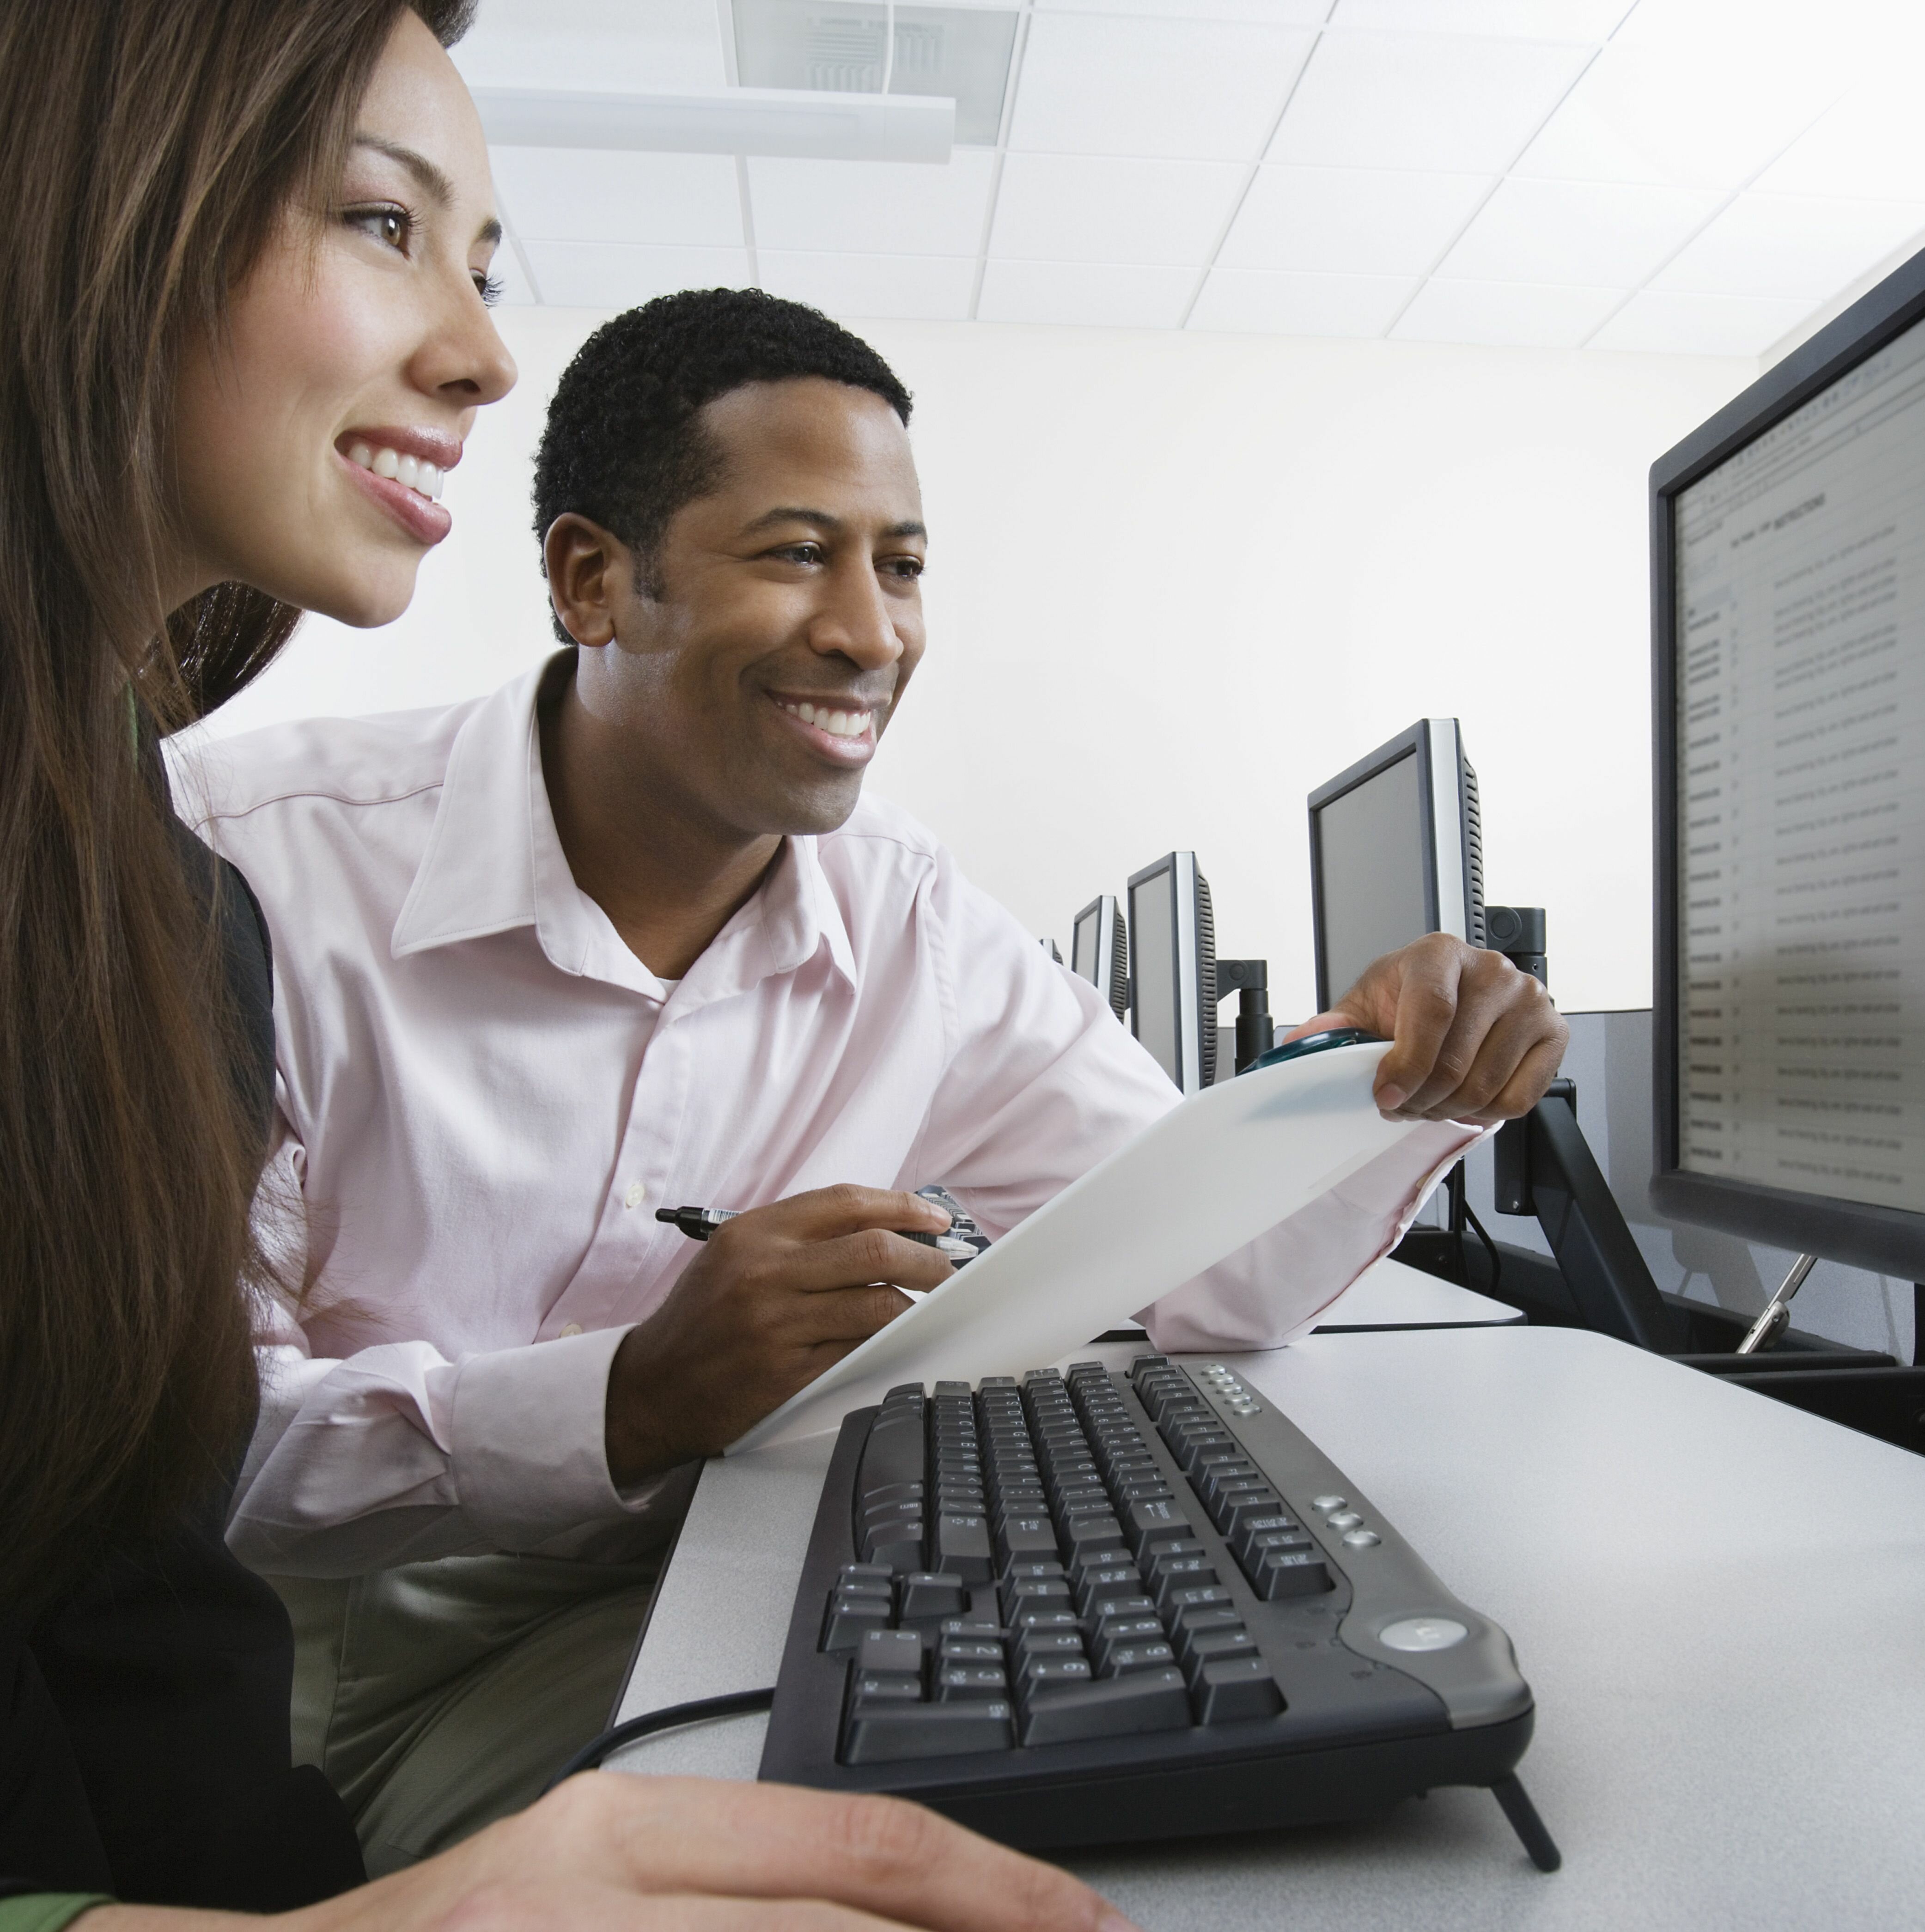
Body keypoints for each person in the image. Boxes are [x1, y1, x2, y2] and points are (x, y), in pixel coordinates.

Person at [0, 5, 1137, 1930]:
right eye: (377, 222)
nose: (481, 351)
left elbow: (142, 1662)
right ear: (74, 189)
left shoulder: (160, 916)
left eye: (481, 264)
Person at [174, 288, 1571, 1870]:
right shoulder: (247, 864)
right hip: (303, 1655)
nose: (870, 631)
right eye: (793, 554)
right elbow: (191, 1447)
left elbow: (1208, 1273)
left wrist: (1389, 1082)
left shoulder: (910, 920)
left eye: (901, 565)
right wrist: (633, 1397)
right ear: (590, 579)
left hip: (681, 1574)